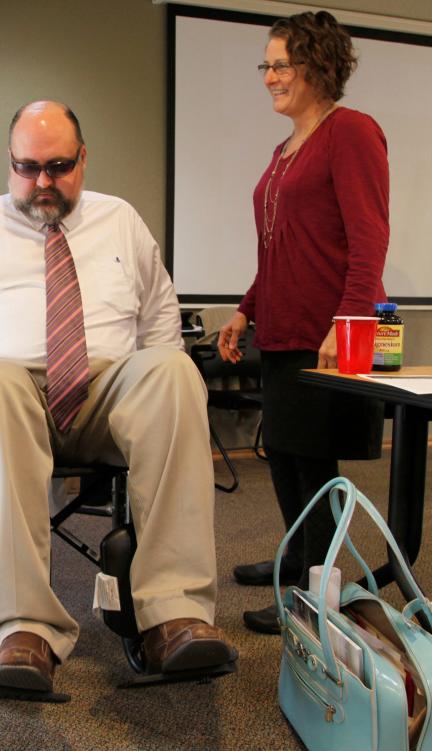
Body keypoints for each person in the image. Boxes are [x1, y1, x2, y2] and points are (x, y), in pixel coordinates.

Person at [0, 100, 236, 693]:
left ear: (84, 159)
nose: (43, 182)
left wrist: (158, 372)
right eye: (28, 167)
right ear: (9, 163)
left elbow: (159, 318)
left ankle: (173, 616)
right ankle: (25, 630)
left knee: (174, 372)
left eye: (59, 165)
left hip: (104, 394)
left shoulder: (119, 219)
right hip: (8, 392)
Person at [219, 11, 388, 634]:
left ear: (317, 65)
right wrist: (245, 308)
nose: (269, 77)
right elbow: (277, 245)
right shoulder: (285, 148)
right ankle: (298, 559)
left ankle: (316, 595)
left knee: (312, 464)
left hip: (325, 333)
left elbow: (370, 240)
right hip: (284, 327)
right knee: (286, 456)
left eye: (280, 64)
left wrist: (347, 324)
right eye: (265, 65)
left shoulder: (352, 133)